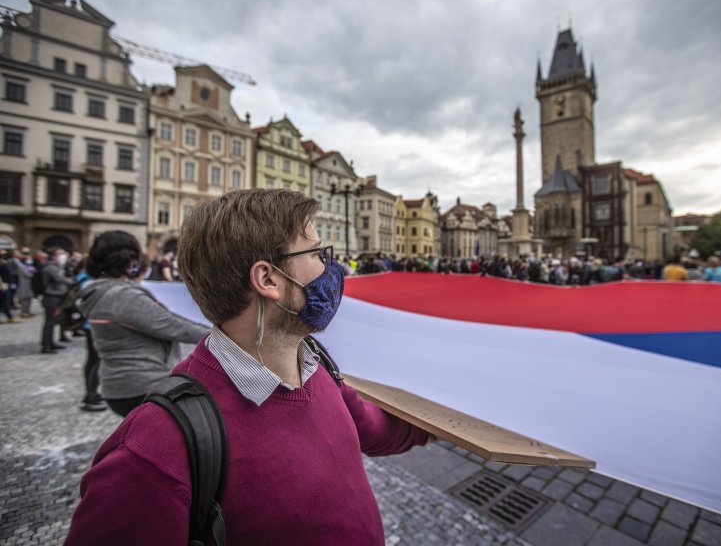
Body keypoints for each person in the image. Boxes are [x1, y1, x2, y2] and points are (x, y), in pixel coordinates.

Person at [66, 189, 431, 544]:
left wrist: (442, 425)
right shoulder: (154, 448)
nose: (330, 268)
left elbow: (372, 430)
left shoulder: (317, 366)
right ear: (268, 279)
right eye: (318, 253)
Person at [75, 231, 208, 417]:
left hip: (123, 384)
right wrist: (220, 335)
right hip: (143, 384)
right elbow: (170, 326)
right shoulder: (120, 296)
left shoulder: (103, 291)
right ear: (129, 259)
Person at [40, 248, 73, 351]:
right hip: (52, 297)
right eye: (60, 254)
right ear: (53, 256)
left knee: (53, 322)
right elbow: (59, 279)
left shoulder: (56, 266)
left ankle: (51, 342)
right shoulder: (51, 267)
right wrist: (73, 281)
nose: (63, 256)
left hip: (56, 296)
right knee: (49, 322)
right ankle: (46, 345)